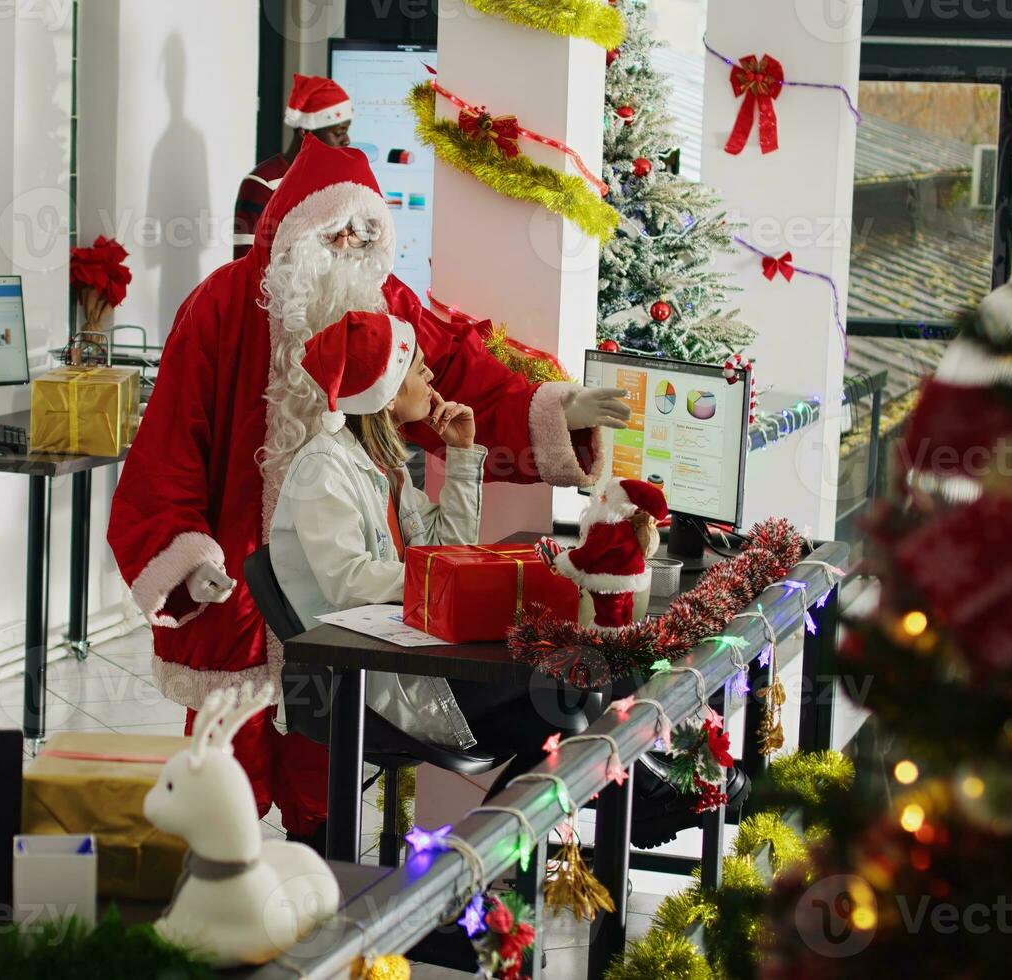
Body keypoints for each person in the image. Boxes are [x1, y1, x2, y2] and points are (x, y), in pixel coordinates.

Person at [108, 134, 630, 848]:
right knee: (226, 776)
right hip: (236, 587)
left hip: (351, 602)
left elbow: (459, 375)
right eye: (335, 229)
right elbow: (169, 445)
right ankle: (220, 900)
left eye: (366, 231)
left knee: (329, 767)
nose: (349, 244)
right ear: (294, 228)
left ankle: (327, 888)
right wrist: (184, 554)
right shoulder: (221, 307)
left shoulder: (385, 310)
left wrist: (554, 413)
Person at [271, 310, 571, 761]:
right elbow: (349, 581)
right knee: (556, 696)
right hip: (362, 677)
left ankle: (521, 826)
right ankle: (526, 826)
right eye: (416, 366)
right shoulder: (322, 469)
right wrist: (447, 579)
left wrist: (462, 454)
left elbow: (448, 551)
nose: (430, 374)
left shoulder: (384, 467)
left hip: (411, 653)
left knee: (561, 695)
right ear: (388, 395)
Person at [232, 74, 354, 260]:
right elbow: (245, 267)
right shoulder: (262, 184)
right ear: (305, 132)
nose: (346, 140)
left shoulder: (338, 183)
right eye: (338, 132)